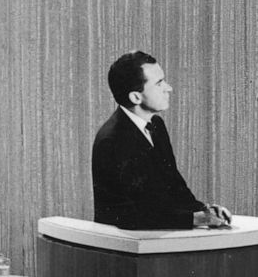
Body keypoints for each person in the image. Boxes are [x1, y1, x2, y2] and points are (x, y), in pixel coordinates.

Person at [92, 51, 231, 229]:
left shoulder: (155, 124)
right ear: (135, 97)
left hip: (156, 237)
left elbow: (174, 184)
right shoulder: (112, 140)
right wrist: (194, 219)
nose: (169, 88)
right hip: (127, 245)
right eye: (159, 83)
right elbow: (127, 215)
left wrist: (204, 210)